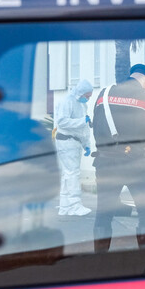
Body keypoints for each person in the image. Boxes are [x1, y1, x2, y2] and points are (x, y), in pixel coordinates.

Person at [92, 64, 145, 252]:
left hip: (106, 163)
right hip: (138, 165)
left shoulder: (104, 94)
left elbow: (97, 127)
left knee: (103, 213)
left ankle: (99, 259)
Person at [54, 79, 93, 216]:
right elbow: (62, 122)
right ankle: (75, 205)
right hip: (66, 141)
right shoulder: (67, 101)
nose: (88, 98)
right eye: (87, 96)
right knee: (73, 174)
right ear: (80, 93)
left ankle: (65, 207)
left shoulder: (82, 105)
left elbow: (83, 128)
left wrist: (86, 144)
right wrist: (82, 121)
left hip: (74, 142)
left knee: (68, 174)